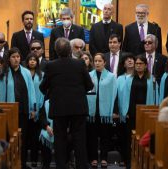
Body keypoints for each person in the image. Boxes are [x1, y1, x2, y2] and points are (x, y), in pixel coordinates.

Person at [40, 37, 94, 169]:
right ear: (70, 50)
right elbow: (89, 85)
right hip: (78, 107)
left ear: (56, 51)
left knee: (60, 141)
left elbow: (43, 87)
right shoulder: (80, 64)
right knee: (80, 140)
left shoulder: (51, 65)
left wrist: (54, 92)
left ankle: (61, 166)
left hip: (59, 108)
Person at [0, 47, 36, 169]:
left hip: (23, 110)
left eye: (18, 57)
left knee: (22, 139)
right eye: (13, 57)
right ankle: (10, 163)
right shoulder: (3, 73)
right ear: (9, 59)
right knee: (10, 138)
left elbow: (31, 90)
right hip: (10, 111)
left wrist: (33, 108)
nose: (16, 59)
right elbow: (0, 91)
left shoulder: (26, 72)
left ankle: (22, 163)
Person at [119, 55, 158, 169]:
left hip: (146, 113)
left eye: (141, 63)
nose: (138, 65)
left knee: (144, 138)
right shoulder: (129, 79)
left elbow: (156, 97)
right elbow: (124, 97)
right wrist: (124, 111)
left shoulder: (152, 79)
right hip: (131, 112)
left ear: (146, 65)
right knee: (129, 138)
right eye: (137, 64)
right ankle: (128, 162)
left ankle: (143, 163)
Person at [86, 53, 118, 168]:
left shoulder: (111, 76)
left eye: (100, 61)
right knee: (92, 136)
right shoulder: (89, 75)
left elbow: (115, 94)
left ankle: (104, 158)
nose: (97, 63)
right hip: (92, 111)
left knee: (105, 136)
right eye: (95, 61)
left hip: (105, 111)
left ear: (105, 62)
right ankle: (93, 158)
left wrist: (114, 110)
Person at [25, 53, 44, 167]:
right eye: (30, 60)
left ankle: (34, 159)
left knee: (35, 137)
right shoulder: (24, 73)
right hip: (26, 108)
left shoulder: (42, 75)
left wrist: (37, 109)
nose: (32, 61)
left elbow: (42, 92)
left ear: (37, 62)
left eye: (34, 60)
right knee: (26, 135)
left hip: (38, 108)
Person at [38, 100, 53, 169]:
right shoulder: (46, 103)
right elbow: (41, 117)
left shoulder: (63, 101)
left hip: (60, 130)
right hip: (48, 128)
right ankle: (46, 165)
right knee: (43, 136)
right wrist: (47, 126)